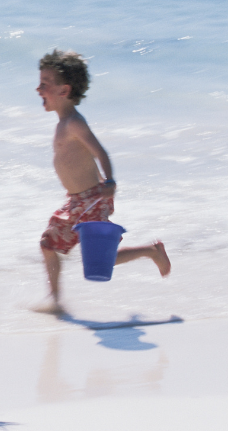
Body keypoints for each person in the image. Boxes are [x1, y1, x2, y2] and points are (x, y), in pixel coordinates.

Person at [36, 49, 171, 315]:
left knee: (98, 260)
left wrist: (109, 180)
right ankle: (55, 301)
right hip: (75, 201)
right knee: (48, 245)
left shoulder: (74, 123)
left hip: (92, 198)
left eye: (44, 84)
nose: (38, 88)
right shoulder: (62, 122)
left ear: (64, 90)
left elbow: (101, 152)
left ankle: (152, 251)